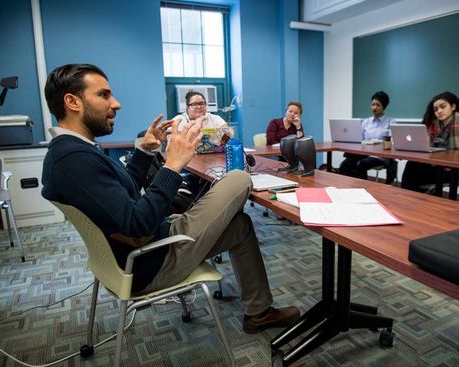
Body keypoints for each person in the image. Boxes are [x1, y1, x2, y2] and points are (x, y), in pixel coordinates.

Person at [41, 64, 299, 334]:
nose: (116, 103)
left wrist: (144, 152)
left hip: (146, 249)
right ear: (72, 102)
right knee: (239, 178)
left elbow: (125, 193)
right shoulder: (74, 161)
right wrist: (172, 166)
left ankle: (259, 312)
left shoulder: (73, 152)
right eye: (104, 95)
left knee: (240, 226)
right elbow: (137, 223)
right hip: (152, 261)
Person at [400, 91, 459, 203]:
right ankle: (410, 202)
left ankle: (413, 202)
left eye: (443, 107)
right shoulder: (433, 125)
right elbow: (427, 148)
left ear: (453, 107)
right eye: (436, 109)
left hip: (458, 169)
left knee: (414, 173)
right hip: (437, 166)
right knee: (412, 165)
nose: (439, 111)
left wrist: (446, 160)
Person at [338, 91, 397, 184]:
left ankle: (363, 189)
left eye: (378, 105)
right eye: (373, 104)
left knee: (362, 164)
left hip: (380, 156)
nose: (374, 107)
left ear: (383, 106)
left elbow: (392, 143)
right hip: (363, 153)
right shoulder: (366, 122)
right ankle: (350, 187)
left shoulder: (391, 122)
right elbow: (359, 139)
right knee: (345, 165)